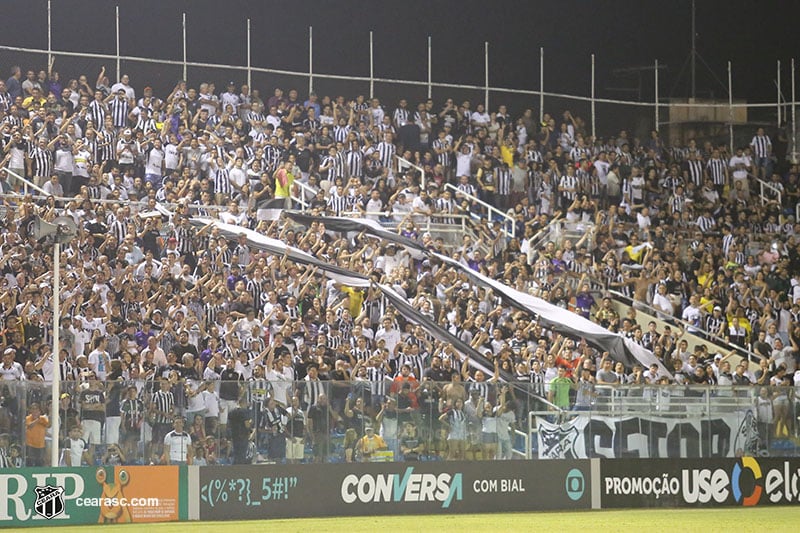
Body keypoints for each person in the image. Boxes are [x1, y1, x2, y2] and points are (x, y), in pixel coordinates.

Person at [25, 402, 49, 466]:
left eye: (36, 410)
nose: (35, 411)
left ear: (39, 411)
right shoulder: (28, 418)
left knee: (40, 462)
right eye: (33, 409)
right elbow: (30, 426)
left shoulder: (43, 419)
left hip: (41, 445)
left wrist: (51, 414)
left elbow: (49, 425)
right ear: (30, 410)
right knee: (30, 461)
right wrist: (37, 420)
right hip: (30, 444)